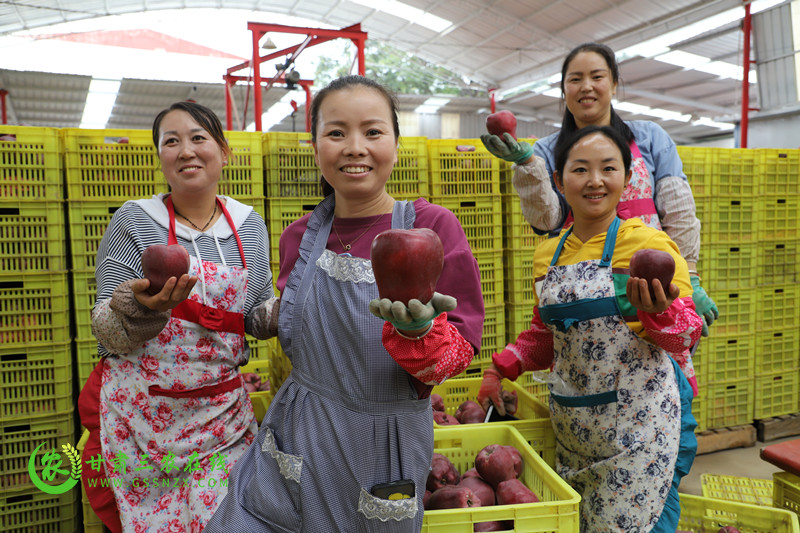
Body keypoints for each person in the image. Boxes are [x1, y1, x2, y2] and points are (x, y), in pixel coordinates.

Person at [204, 75, 484, 532]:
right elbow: (292, 321)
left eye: (372, 132)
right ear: (315, 147)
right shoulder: (300, 236)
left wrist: (421, 336)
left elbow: (457, 358)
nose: (355, 147)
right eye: (336, 133)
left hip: (382, 443)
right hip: (297, 429)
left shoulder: (432, 228)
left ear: (396, 144)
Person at [478, 125, 701, 532]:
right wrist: (500, 369)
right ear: (560, 181)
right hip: (576, 434)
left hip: (641, 434)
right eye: (580, 170)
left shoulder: (649, 245)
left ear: (627, 178)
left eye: (608, 168)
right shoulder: (548, 253)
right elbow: (545, 338)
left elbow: (685, 337)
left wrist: (660, 314)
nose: (595, 181)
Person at [77, 101, 279, 532]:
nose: (185, 150)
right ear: (160, 158)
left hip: (221, 418)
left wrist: (293, 310)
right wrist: (139, 311)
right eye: (171, 141)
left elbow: (255, 317)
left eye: (198, 138)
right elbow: (106, 328)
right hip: (146, 424)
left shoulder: (249, 225)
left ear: (224, 152)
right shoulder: (135, 220)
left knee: (230, 521)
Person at [482, 42, 717, 394]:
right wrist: (528, 166)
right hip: (582, 278)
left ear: (615, 83)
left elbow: (678, 210)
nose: (586, 86)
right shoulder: (546, 150)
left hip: (645, 283)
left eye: (597, 76)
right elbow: (547, 220)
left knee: (663, 374)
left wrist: (689, 278)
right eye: (575, 79)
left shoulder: (650, 138)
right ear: (563, 89)